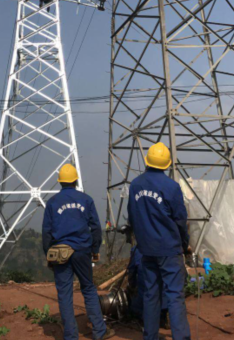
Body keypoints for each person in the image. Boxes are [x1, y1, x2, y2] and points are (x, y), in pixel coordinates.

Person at [42, 164, 114, 340]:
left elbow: (46, 233)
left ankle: (70, 336)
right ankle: (99, 331)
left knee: (65, 294)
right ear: (75, 180)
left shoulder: (52, 203)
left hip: (60, 253)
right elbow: (96, 228)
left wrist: (49, 255)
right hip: (82, 251)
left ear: (60, 182)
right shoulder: (86, 200)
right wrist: (95, 249)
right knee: (88, 289)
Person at [128, 142, 191, 340]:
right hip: (169, 250)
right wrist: (184, 243)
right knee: (174, 295)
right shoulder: (171, 187)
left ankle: (150, 336)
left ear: (148, 162)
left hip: (146, 250)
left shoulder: (135, 185)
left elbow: (132, 217)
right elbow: (180, 219)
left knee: (151, 294)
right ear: (166, 164)